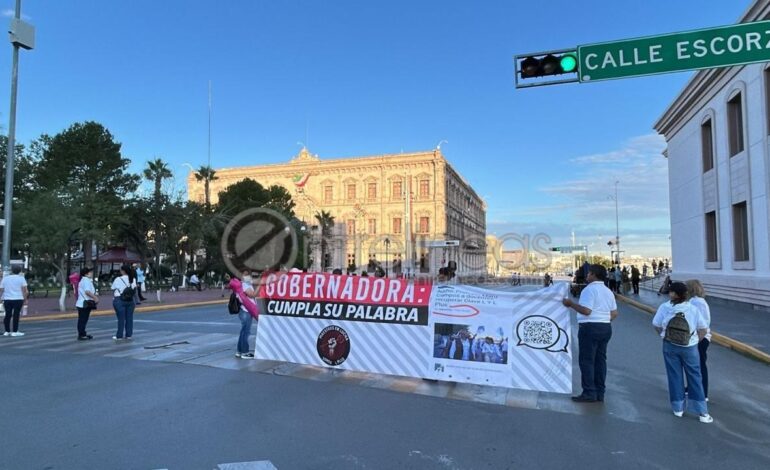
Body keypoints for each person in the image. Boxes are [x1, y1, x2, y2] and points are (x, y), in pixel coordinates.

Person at [652, 282, 712, 423]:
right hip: (689, 347)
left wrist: (663, 336)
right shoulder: (692, 308)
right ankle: (702, 413)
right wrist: (695, 341)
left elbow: (656, 324)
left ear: (673, 294)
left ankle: (678, 409)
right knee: (695, 377)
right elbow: (703, 328)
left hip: (669, 345)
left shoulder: (664, 307)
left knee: (674, 375)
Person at [562, 264, 617, 403]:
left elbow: (586, 311)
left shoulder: (589, 290)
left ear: (593, 275)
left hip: (590, 328)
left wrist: (570, 304)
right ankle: (600, 392)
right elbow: (614, 313)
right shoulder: (608, 291)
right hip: (605, 328)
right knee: (600, 361)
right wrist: (603, 319)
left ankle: (589, 392)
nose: (586, 276)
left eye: (588, 274)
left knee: (587, 361)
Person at [686, 279, 711, 401]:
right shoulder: (694, 301)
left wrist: (697, 338)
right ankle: (692, 388)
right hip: (696, 337)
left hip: (700, 338)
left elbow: (702, 323)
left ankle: (703, 393)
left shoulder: (698, 302)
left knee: (700, 365)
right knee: (694, 365)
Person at [229, 270, 259, 359]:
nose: (249, 276)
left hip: (243, 311)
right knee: (246, 332)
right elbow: (252, 295)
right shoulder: (244, 285)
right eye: (246, 274)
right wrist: (260, 286)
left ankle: (239, 351)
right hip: (246, 311)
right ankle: (245, 352)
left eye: (249, 274)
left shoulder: (240, 284)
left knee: (243, 331)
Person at [1, 265, 29, 337]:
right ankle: (15, 331)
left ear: (11, 270)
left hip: (7, 299)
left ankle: (7, 331)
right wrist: (25, 299)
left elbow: (1, 289)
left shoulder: (5, 278)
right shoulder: (21, 278)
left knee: (7, 315)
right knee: (16, 315)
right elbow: (24, 290)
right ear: (19, 271)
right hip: (18, 299)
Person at [111, 264, 136, 341]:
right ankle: (129, 334)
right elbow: (134, 288)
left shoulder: (118, 279)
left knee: (121, 319)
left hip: (119, 299)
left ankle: (119, 335)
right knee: (129, 318)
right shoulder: (133, 279)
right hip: (130, 300)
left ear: (123, 271)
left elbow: (113, 288)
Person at [75, 267, 99, 340]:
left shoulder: (84, 280)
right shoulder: (86, 280)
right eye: (90, 272)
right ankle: (82, 335)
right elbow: (87, 291)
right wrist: (95, 298)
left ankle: (82, 333)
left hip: (83, 303)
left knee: (82, 319)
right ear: (86, 273)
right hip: (84, 303)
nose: (91, 273)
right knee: (83, 319)